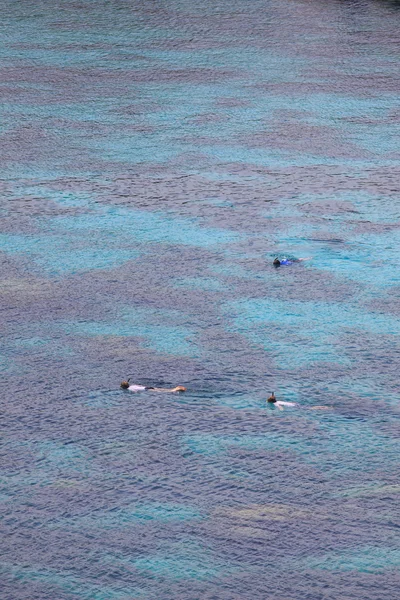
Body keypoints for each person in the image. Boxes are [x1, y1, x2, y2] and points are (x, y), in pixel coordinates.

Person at [120, 379, 186, 393]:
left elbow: (136, 392)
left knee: (166, 391)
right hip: (148, 387)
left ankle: (177, 388)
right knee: (163, 389)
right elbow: (139, 386)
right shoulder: (132, 385)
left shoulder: (130, 389)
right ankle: (176, 388)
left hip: (148, 389)